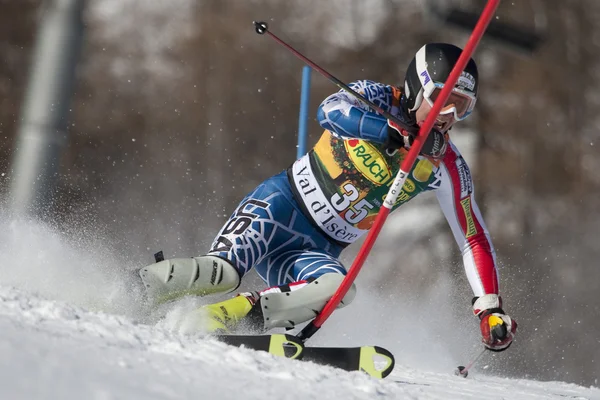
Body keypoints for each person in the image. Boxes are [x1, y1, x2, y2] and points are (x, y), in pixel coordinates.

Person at [139, 43, 517, 352]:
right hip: (279, 207)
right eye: (441, 99)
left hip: (316, 249)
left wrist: (489, 307)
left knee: (339, 289)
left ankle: (224, 318)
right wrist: (390, 133)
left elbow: (473, 237)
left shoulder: (446, 164)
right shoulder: (375, 98)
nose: (448, 115)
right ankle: (135, 289)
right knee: (221, 273)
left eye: (462, 107)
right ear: (417, 89)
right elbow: (330, 111)